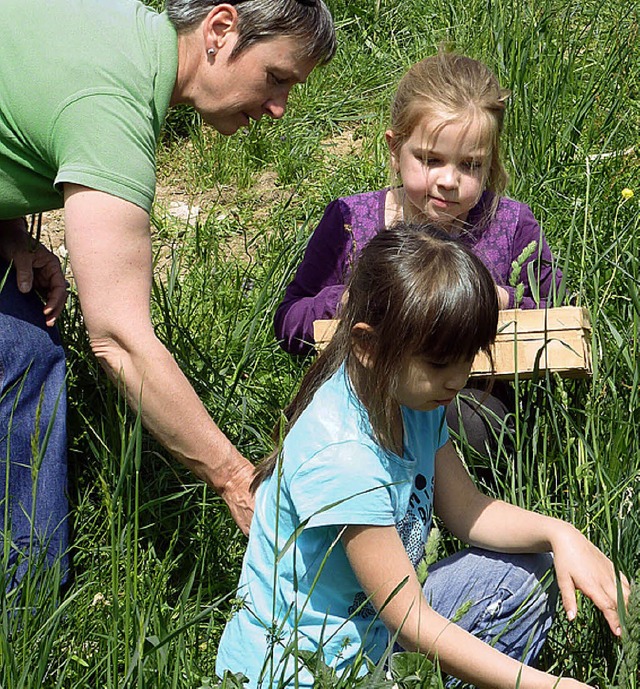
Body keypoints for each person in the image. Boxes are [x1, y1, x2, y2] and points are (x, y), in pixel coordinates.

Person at [0, 0, 336, 585]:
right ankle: (28, 611)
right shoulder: (116, 103)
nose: (280, 108)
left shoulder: (120, 32)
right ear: (221, 29)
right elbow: (119, 340)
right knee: (24, 359)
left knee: (25, 343)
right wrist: (235, 479)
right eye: (276, 77)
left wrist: (9, 237)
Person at [217, 223, 628, 689]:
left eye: (468, 356)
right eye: (438, 363)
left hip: (374, 636)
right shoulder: (344, 456)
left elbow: (466, 510)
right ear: (367, 346)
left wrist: (560, 533)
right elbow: (409, 616)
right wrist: (545, 685)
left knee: (531, 569)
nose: (457, 380)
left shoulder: (410, 401)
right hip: (319, 671)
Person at [273, 51, 562, 463]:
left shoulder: (512, 225)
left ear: (490, 161)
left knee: (477, 426)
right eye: (430, 160)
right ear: (395, 149)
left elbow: (556, 319)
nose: (449, 180)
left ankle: (456, 511)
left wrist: (504, 301)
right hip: (363, 396)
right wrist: (344, 300)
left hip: (462, 394)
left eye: (470, 165)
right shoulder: (350, 223)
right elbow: (289, 322)